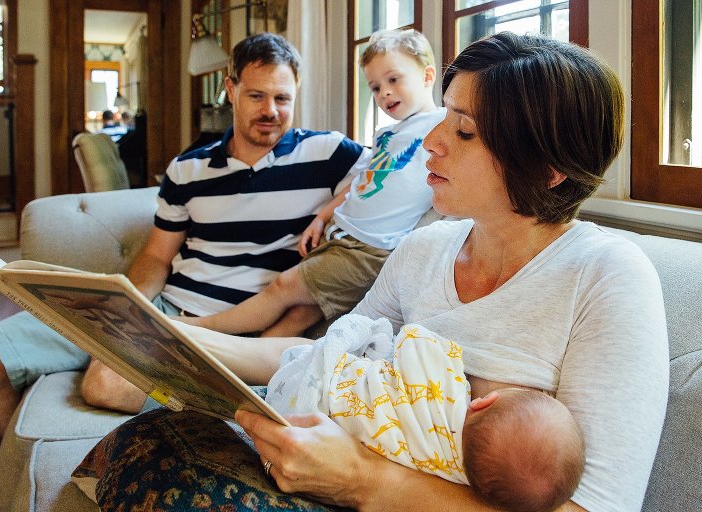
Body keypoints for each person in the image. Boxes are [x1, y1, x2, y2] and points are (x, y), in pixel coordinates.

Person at [123, 32, 667, 511]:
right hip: (324, 464)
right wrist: (163, 335)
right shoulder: (424, 249)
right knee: (155, 438)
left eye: (464, 131)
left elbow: (595, 507)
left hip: (365, 489)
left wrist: (362, 482)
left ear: (548, 170)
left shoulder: (606, 277)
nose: (431, 141)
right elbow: (328, 357)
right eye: (443, 117)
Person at [0, 32, 369, 500]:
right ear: (231, 89)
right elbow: (157, 256)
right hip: (167, 305)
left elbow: (392, 172)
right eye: (257, 96)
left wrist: (329, 210)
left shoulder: (329, 154)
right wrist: (126, 311)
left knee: (108, 384)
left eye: (283, 98)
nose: (270, 111)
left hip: (235, 326)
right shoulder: (187, 169)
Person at [182, 29, 445, 337]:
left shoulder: (440, 126)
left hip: (369, 250)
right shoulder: (386, 134)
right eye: (375, 87)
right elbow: (362, 182)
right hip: (343, 235)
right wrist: (322, 217)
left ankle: (199, 329)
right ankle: (246, 359)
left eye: (393, 79)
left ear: (428, 76)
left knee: (282, 287)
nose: (384, 93)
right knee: (301, 314)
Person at [265, 314, 585, 512]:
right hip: (316, 425)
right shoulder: (455, 479)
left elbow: (413, 339)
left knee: (361, 335)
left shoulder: (448, 390)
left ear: (483, 402)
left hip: (323, 390)